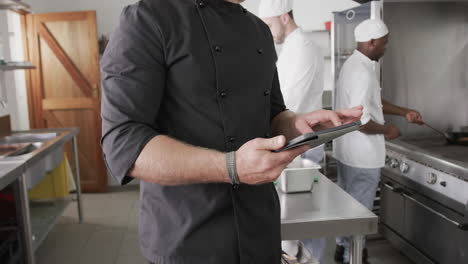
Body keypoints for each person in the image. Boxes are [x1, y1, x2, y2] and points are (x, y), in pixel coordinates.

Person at [101, 0, 362, 263]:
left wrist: (297, 125)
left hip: (261, 230)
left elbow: (273, 115)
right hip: (189, 237)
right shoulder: (149, 19)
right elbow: (123, 142)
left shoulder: (258, 30)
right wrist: (230, 166)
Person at [333, 19, 424, 264]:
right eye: (385, 43)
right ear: (372, 42)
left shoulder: (353, 65)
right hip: (362, 157)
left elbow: (374, 102)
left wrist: (404, 112)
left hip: (347, 152)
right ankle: (355, 258)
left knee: (349, 209)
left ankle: (343, 251)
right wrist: (388, 130)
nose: (386, 47)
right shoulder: (362, 72)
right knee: (359, 213)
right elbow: (361, 122)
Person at [258, 0, 326, 262]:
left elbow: (289, 105)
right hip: (293, 148)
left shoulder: (304, 49)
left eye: (269, 24)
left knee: (309, 224)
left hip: (303, 152)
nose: (266, 30)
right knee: (296, 225)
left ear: (284, 17)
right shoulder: (290, 48)